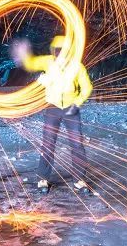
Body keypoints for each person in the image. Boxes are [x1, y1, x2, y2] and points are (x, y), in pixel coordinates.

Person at [10, 33, 94, 192]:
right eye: (56, 50)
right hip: (52, 108)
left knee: (77, 145)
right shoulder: (48, 61)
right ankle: (43, 179)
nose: (58, 53)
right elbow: (31, 63)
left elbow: (87, 87)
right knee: (48, 144)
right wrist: (23, 54)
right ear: (53, 50)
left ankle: (79, 180)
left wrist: (76, 104)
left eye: (62, 50)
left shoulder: (76, 66)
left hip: (71, 109)